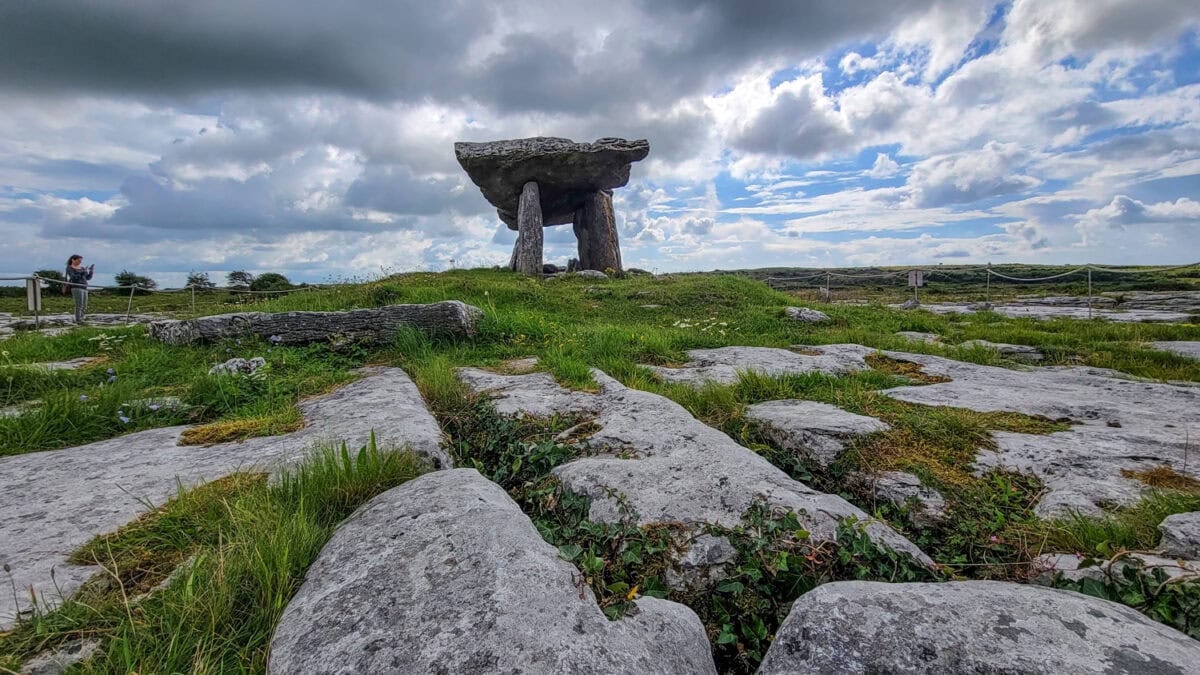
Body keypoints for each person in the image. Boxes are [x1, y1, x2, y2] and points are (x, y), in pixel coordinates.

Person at [64, 255, 94, 324]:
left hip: (84, 287)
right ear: (73, 260)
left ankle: (82, 318)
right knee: (79, 305)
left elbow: (88, 278)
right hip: (76, 287)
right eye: (78, 260)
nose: (80, 262)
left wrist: (91, 271)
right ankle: (78, 319)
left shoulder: (82, 268)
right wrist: (82, 272)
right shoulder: (69, 268)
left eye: (80, 261)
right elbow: (74, 277)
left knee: (84, 305)